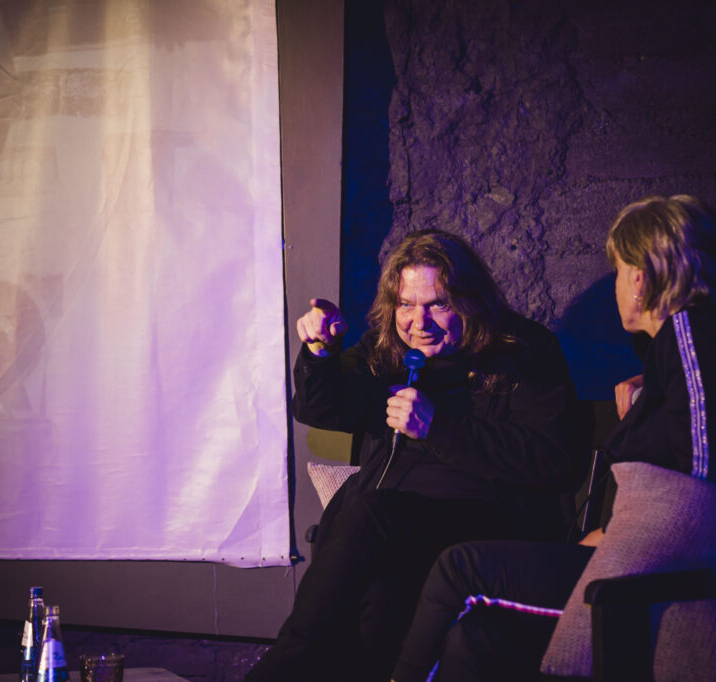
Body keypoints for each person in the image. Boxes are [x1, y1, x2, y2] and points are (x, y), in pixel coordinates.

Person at [390, 194, 716, 682]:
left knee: (459, 568)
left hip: (645, 574)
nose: (617, 285)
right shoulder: (668, 349)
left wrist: (619, 538)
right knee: (477, 637)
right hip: (624, 552)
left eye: (619, 270)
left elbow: (700, 474)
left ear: (639, 279)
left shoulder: (690, 331)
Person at [246, 229, 581, 681]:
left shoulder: (522, 350)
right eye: (406, 304)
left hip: (481, 525)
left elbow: (554, 460)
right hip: (389, 530)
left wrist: (438, 426)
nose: (418, 322)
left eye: (438, 304)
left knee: (368, 511)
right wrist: (320, 353)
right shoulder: (387, 348)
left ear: (470, 300)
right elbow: (321, 409)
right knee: (379, 591)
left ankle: (279, 669)